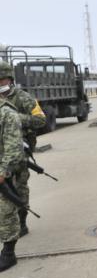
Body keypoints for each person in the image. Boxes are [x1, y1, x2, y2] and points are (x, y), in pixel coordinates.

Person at [0, 61, 46, 237]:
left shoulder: (23, 97)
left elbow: (40, 120)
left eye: (1, 80)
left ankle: (22, 220)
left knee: (19, 186)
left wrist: (15, 118)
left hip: (20, 150)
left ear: (9, 80)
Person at [0, 99, 25, 272]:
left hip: (1, 171)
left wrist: (3, 172)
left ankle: (9, 253)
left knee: (5, 210)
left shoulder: (7, 114)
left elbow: (14, 148)